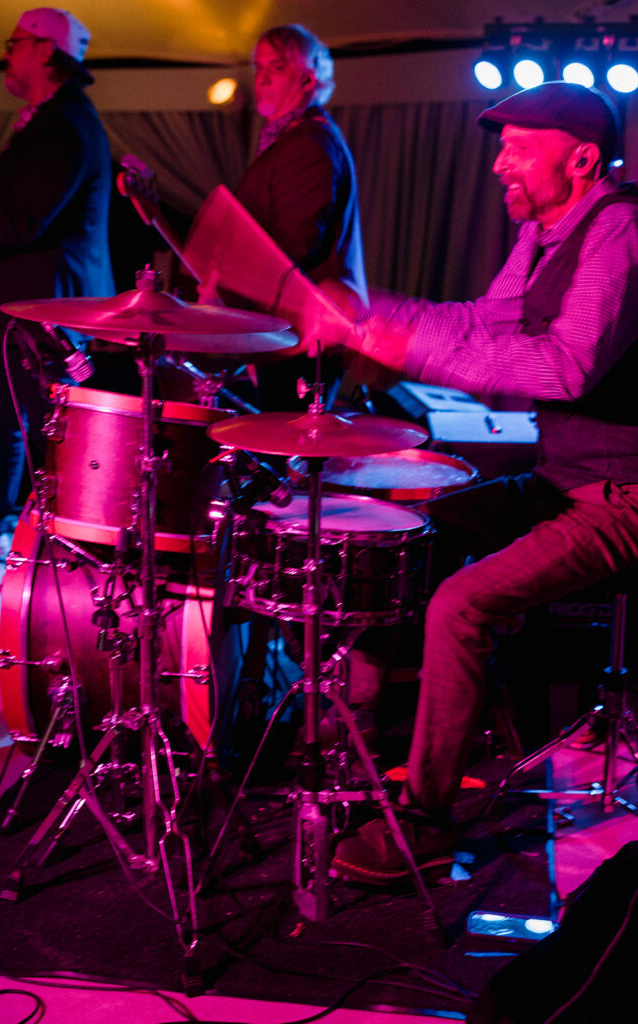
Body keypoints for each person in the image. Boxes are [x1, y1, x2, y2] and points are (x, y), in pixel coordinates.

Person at [304, 81, 638, 883]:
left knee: (458, 602)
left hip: (620, 497)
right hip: (562, 478)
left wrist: (398, 345)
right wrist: (364, 312)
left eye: (519, 148)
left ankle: (424, 816)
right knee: (405, 536)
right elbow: (480, 322)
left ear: (581, 159)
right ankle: (368, 755)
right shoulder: (547, 232)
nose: (498, 165)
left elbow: (563, 368)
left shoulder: (619, 230)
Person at [0, 7, 114, 562]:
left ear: (45, 50)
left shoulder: (65, 123)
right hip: (29, 299)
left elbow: (22, 219)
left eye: (14, 42)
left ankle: (36, 536)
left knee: (34, 422)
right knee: (8, 413)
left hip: (47, 302)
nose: (6, 52)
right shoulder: (52, 119)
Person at [234, 23, 368, 411]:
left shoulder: (308, 143)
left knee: (289, 460)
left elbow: (293, 247)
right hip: (290, 332)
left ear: (308, 79)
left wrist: (225, 285)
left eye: (275, 68)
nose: (261, 79)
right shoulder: (293, 139)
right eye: (258, 68)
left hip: (306, 334)